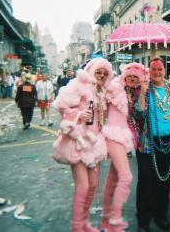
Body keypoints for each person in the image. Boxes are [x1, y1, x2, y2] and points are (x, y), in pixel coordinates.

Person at [53, 58, 113, 232]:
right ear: (91, 71)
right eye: (98, 72)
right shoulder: (78, 85)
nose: (101, 75)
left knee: (93, 184)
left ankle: (85, 222)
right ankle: (77, 227)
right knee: (83, 186)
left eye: (104, 73)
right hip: (78, 141)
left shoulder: (102, 91)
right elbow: (62, 107)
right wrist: (78, 114)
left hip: (95, 142)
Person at [100, 63, 146, 232]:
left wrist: (142, 91)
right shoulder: (115, 88)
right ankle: (115, 221)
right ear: (124, 76)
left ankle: (105, 221)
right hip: (113, 136)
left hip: (124, 139)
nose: (132, 79)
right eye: (129, 76)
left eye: (136, 77)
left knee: (112, 180)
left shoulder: (135, 93)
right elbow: (101, 89)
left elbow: (141, 114)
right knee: (126, 177)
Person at [135, 58, 170, 232]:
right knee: (145, 182)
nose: (157, 72)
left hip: (167, 141)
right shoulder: (143, 88)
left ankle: (161, 214)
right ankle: (143, 220)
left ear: (164, 70)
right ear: (149, 71)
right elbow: (139, 113)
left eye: (160, 69)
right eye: (154, 70)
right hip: (147, 143)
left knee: (163, 181)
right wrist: (143, 93)